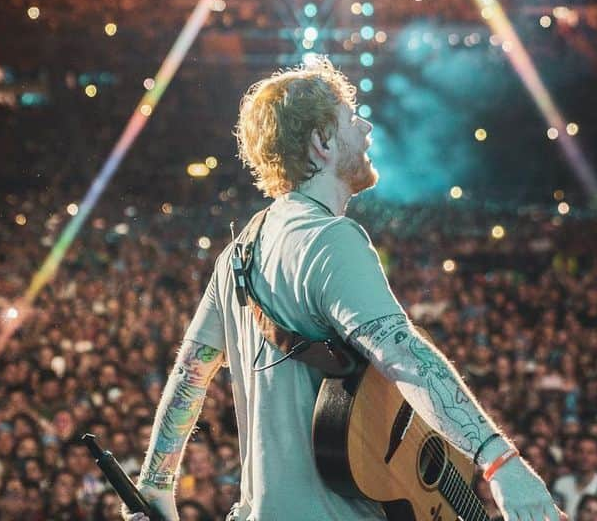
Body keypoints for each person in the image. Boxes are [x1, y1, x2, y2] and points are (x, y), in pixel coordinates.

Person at [128, 59, 565, 520]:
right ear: (322, 143)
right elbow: (404, 356)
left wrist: (156, 484)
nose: (367, 127)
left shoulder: (239, 252)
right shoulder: (330, 238)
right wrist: (501, 464)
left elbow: (190, 375)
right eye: (352, 118)